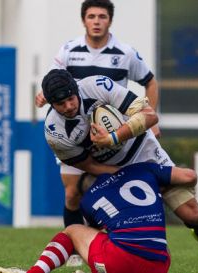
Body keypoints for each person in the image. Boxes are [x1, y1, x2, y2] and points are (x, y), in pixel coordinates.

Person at [41, 69, 198, 270]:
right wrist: (118, 174)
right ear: (51, 104)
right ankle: (98, 256)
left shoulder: (97, 86)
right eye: (61, 104)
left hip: (143, 152)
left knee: (193, 215)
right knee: (74, 193)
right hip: (108, 168)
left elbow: (150, 116)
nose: (69, 106)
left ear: (76, 89)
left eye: (71, 98)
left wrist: (112, 138)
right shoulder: (54, 132)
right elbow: (87, 165)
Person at [35, 1, 161, 263]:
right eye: (91, 16)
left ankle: (103, 242)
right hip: (74, 131)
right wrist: (44, 96)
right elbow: (54, 79)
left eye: (101, 16)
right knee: (72, 193)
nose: (96, 21)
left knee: (110, 186)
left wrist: (151, 117)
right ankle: (75, 252)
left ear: (109, 21)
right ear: (84, 20)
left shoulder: (125, 53)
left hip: (115, 130)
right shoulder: (69, 50)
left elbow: (150, 82)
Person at [0, 162, 197, 273]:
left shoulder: (89, 199)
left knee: (73, 232)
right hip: (160, 266)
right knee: (155, 245)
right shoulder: (144, 168)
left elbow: (94, 240)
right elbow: (189, 177)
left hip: (120, 263)